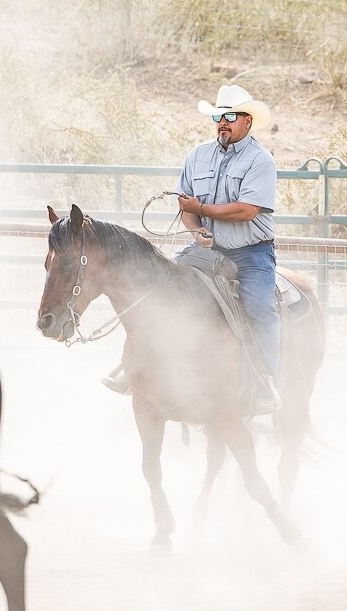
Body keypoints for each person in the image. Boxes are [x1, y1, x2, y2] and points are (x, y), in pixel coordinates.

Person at [102, 84, 282, 415]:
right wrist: (195, 227)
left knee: (259, 308)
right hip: (206, 250)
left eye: (229, 116)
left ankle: (265, 381)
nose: (222, 123)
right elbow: (186, 206)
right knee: (158, 287)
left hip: (250, 253)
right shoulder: (197, 156)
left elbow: (247, 210)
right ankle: (134, 367)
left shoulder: (260, 161)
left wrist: (204, 210)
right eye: (218, 117)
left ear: (247, 122)